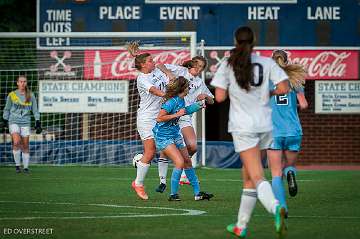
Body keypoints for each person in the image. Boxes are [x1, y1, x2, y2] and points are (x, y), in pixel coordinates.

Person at [210, 26, 289, 237]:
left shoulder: (228, 64)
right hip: (265, 125)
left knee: (256, 175)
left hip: (243, 126)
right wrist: (267, 91)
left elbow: (219, 97)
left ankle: (275, 208)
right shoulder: (267, 61)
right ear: (254, 41)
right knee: (248, 176)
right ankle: (241, 226)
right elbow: (284, 88)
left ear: (235, 41)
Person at [155, 56, 214, 193]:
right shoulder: (179, 71)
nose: (198, 69)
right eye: (197, 65)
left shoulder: (200, 83)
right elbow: (160, 64)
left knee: (192, 146)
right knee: (164, 150)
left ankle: (182, 174)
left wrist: (206, 97)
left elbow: (212, 101)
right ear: (191, 64)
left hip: (185, 116)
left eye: (201, 67)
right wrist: (169, 73)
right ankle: (163, 180)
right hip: (171, 115)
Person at [127, 41, 173, 200]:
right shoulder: (142, 79)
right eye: (150, 61)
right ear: (144, 66)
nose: (154, 61)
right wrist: (170, 95)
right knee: (151, 151)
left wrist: (137, 55)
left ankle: (143, 165)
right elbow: (155, 91)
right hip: (147, 119)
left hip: (159, 117)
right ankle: (138, 183)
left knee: (163, 148)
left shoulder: (155, 71)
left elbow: (161, 66)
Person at [267, 49, 309, 216]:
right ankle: (290, 173)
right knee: (289, 166)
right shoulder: (295, 80)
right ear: (286, 60)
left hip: (274, 132)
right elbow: (304, 104)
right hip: (293, 130)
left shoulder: (268, 81)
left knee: (275, 173)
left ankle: (282, 206)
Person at [2, 75, 42, 173]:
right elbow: (7, 109)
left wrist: (38, 121)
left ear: (26, 83)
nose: (23, 83)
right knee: (16, 142)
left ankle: (26, 167)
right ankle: (17, 165)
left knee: (25, 145)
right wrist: (4, 120)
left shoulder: (31, 95)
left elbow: (35, 110)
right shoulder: (12, 95)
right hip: (13, 121)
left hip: (25, 122)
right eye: (21, 81)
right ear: (17, 83)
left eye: (24, 81)